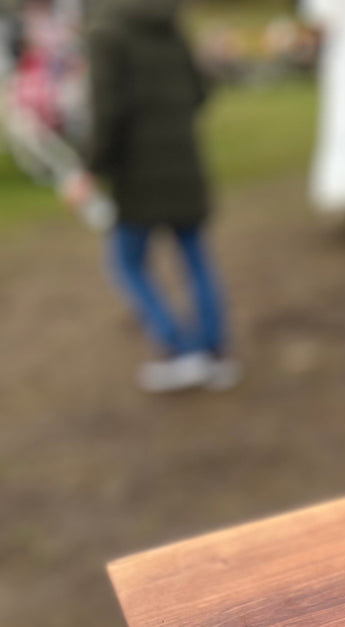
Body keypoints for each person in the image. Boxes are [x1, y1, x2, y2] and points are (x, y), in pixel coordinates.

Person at [65, 0, 237, 392]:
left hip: (137, 175)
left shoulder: (105, 31)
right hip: (184, 164)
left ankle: (180, 349)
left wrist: (89, 169)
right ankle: (214, 353)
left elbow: (107, 112)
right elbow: (198, 93)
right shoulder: (171, 23)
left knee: (126, 263)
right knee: (195, 258)